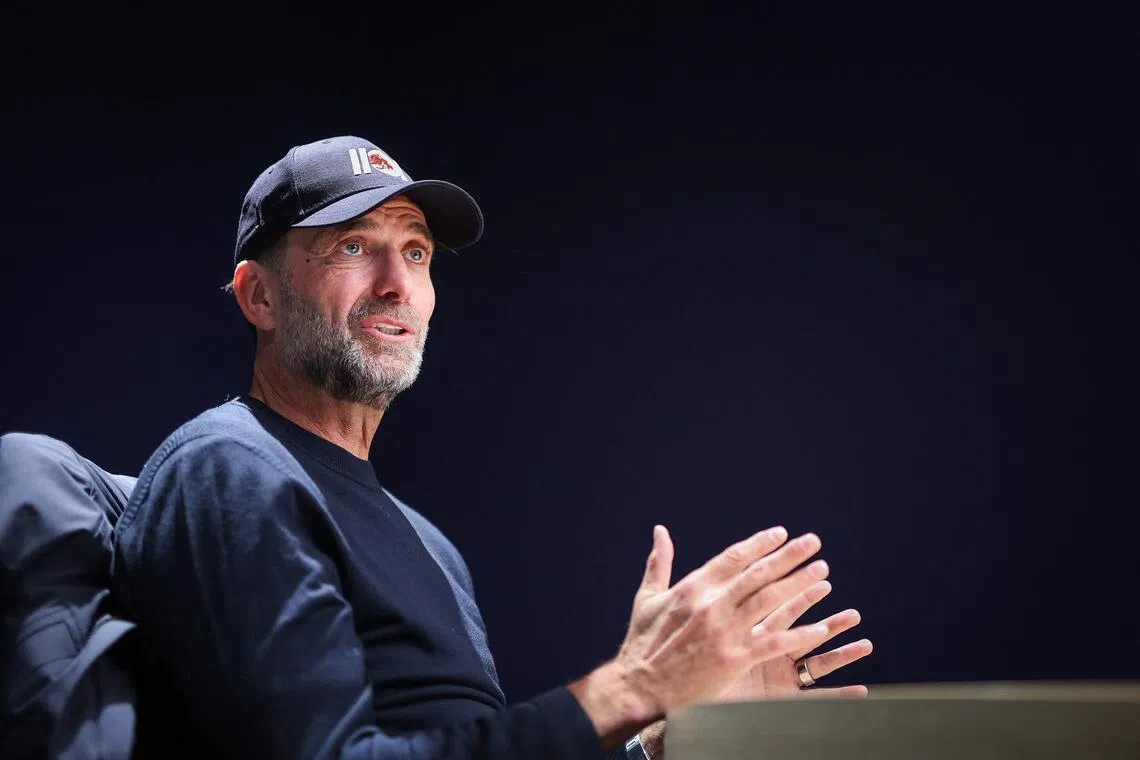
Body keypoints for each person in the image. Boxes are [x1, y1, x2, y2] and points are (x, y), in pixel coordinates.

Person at [111, 135, 872, 759]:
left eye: (415, 252)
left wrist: (660, 741)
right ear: (259, 296)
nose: (395, 283)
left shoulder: (432, 547)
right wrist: (633, 685)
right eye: (352, 247)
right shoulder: (228, 470)